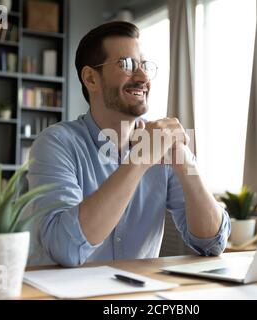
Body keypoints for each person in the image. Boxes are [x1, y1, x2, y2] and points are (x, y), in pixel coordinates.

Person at [27, 21, 230, 266]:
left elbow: (212, 244)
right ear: (91, 79)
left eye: (143, 65)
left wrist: (186, 163)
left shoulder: (161, 141)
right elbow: (65, 249)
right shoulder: (55, 143)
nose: (143, 77)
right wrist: (139, 161)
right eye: (127, 64)